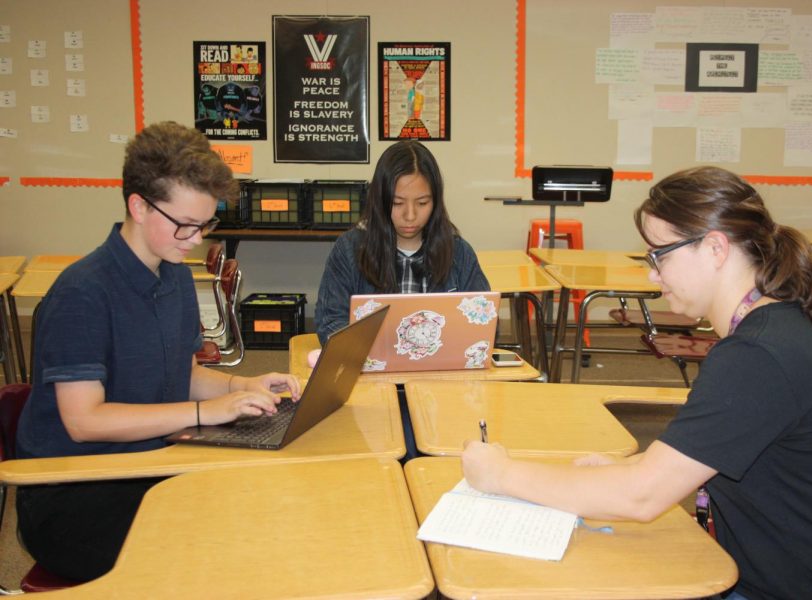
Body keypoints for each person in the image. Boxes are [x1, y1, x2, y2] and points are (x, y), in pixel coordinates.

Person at [462, 166, 812, 599]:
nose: (653, 274)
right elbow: (705, 453)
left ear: (714, 249)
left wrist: (501, 474)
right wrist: (624, 469)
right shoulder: (779, 330)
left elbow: (642, 498)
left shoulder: (757, 356)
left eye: (660, 255)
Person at [15, 121, 301, 582]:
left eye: (204, 224)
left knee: (264, 505)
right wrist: (206, 412)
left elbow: (181, 373)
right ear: (139, 206)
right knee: (213, 551)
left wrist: (240, 384)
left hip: (150, 462)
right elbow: (83, 421)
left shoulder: (175, 277)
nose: (195, 238)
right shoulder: (82, 293)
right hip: (74, 494)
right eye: (185, 225)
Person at [314, 139, 489, 345]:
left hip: (438, 373)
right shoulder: (349, 250)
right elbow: (330, 322)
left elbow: (485, 326)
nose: (410, 215)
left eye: (422, 203)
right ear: (380, 199)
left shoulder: (459, 253)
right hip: (371, 371)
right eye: (397, 203)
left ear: (436, 201)